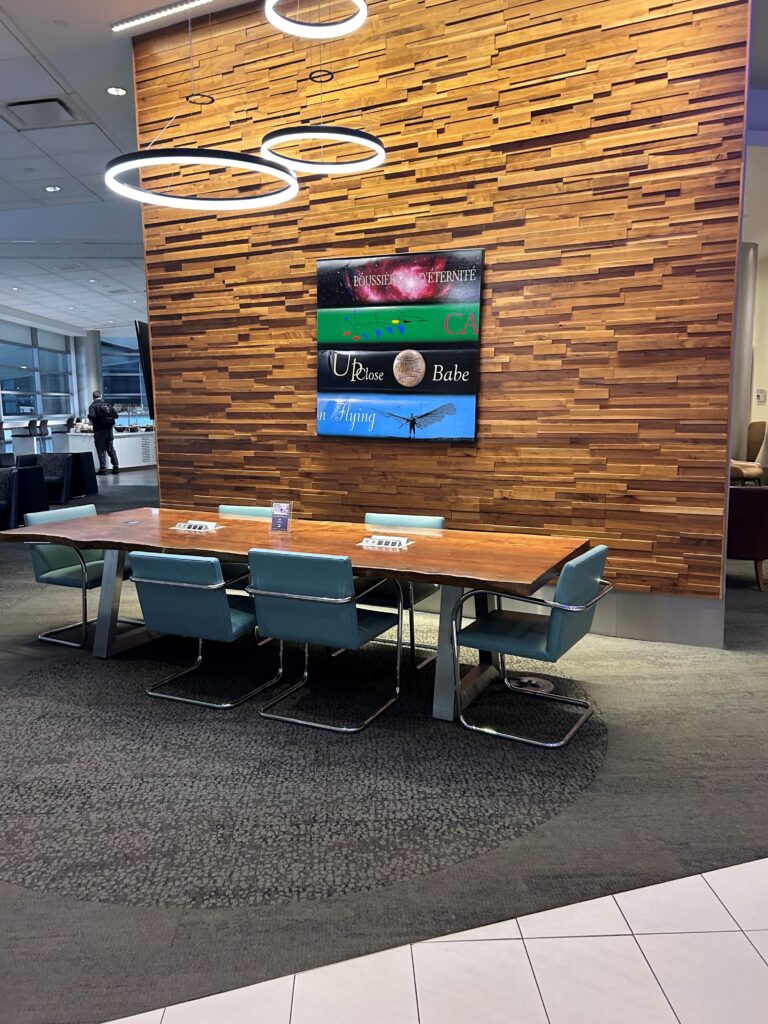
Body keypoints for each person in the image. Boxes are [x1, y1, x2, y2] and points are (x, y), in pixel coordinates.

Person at [87, 390, 120, 476]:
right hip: (109, 430)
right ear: (101, 396)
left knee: (101, 450)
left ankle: (103, 469)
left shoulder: (93, 406)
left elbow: (92, 416)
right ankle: (116, 467)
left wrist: (89, 416)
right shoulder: (107, 405)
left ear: (93, 397)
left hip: (99, 431)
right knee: (111, 449)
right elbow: (116, 415)